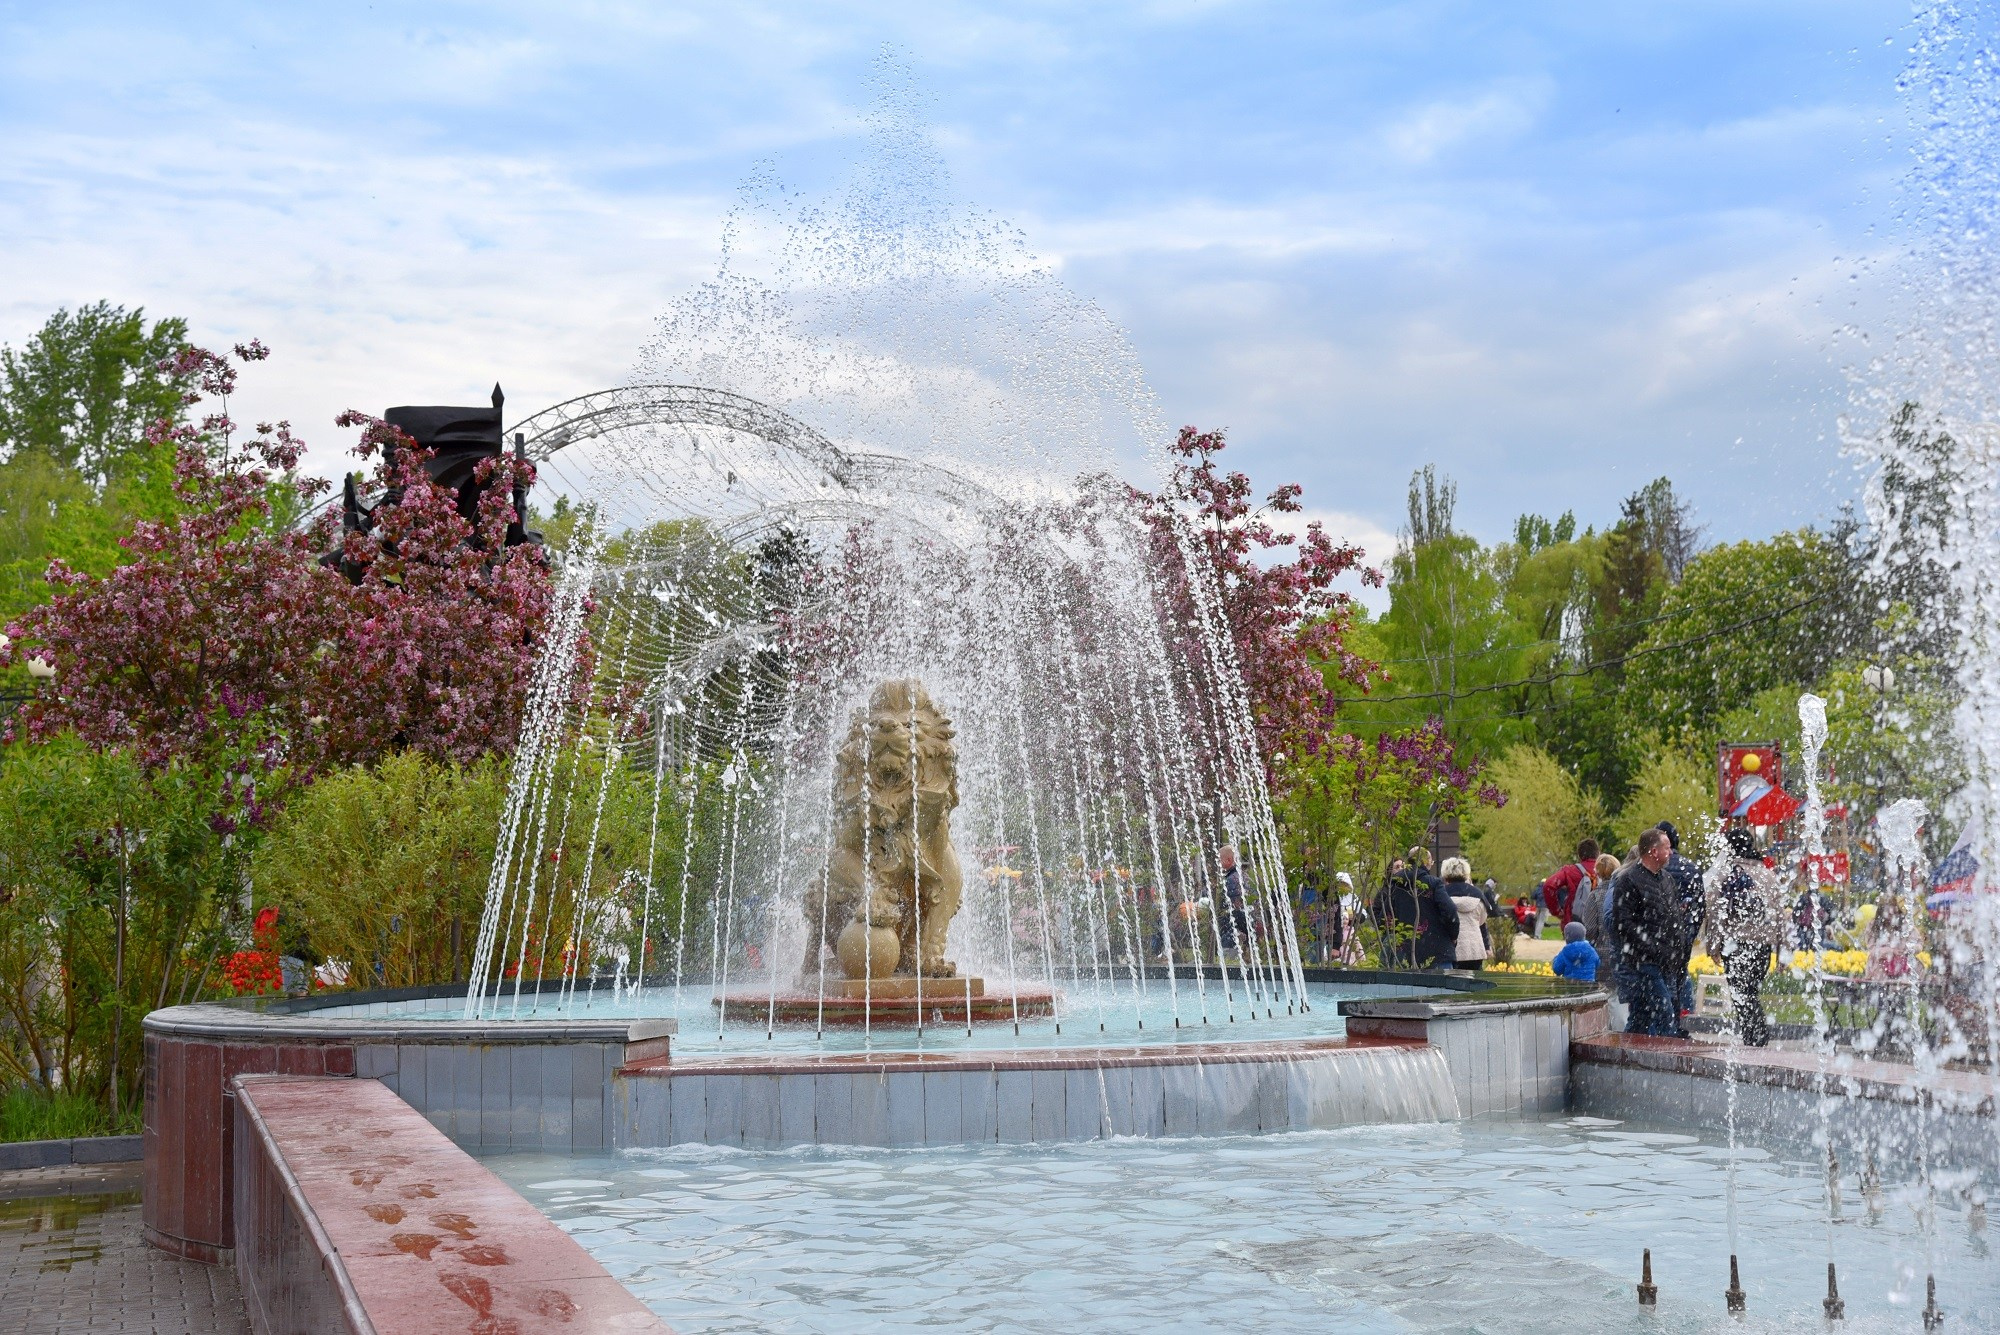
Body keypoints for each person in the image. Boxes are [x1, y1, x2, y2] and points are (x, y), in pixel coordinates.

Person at [1704, 827, 1787, 1046]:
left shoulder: (1724, 874)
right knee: (1749, 991)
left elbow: (1715, 913)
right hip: (1762, 945)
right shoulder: (1768, 875)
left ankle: (1756, 1037)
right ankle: (1753, 1039)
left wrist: (1713, 945)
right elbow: (1780, 915)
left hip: (1734, 943)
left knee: (1741, 993)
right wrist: (1783, 951)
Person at [1615, 829, 1684, 1036]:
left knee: (1641, 1017)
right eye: (1667, 848)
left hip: (1667, 960)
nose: (1671, 852)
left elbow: (1674, 915)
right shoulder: (1629, 880)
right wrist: (1652, 948)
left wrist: (1678, 946)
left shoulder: (1667, 879)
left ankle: (1628, 1049)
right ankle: (1668, 1054)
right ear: (1654, 851)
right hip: (1643, 962)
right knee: (1665, 1015)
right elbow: (1623, 923)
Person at [1656, 821, 1705, 1037]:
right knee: (1680, 974)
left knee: (1661, 977)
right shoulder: (1690, 867)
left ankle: (1666, 1025)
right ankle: (1681, 1023)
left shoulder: (1658, 866)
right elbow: (1700, 906)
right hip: (1684, 932)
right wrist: (1691, 932)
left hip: (1660, 934)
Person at [1539, 839, 1601, 933]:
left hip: (1574, 922)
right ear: (1598, 853)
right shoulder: (1606, 869)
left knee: (1575, 942)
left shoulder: (1570, 871)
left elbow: (1549, 885)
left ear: (1579, 855)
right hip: (1599, 923)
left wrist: (1557, 911)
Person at [1442, 856, 1489, 970]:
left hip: (1451, 948)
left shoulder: (1442, 893)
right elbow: (1482, 920)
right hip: (1474, 948)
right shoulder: (1477, 894)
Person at [1217, 844, 1250, 963]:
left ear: (1229, 860)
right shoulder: (1244, 876)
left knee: (1227, 957)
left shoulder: (1232, 880)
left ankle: (1229, 959)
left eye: (1219, 860)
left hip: (1235, 927)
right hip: (1246, 925)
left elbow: (1235, 906)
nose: (1218, 864)